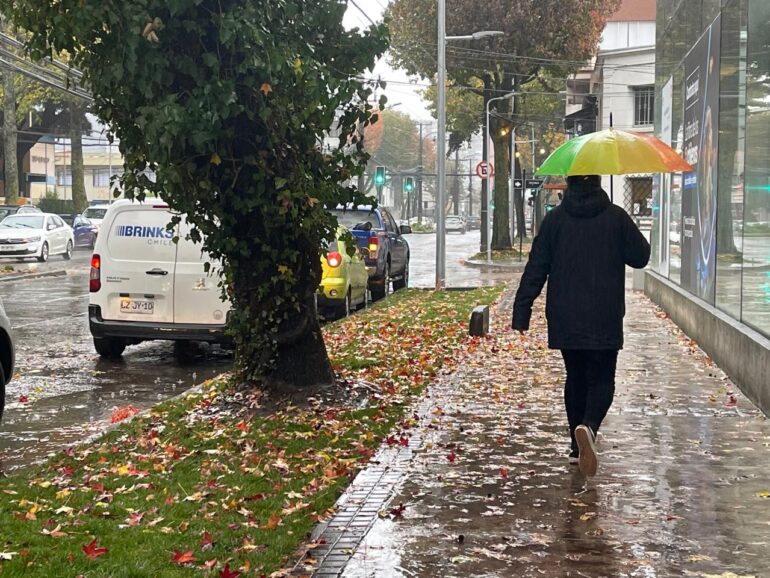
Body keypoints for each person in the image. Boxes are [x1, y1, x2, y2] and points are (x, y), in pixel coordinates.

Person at [512, 174, 650, 476]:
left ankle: (577, 449)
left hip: (565, 315)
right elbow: (641, 257)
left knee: (575, 376)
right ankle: (588, 426)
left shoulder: (555, 221)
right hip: (605, 314)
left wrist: (521, 310)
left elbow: (536, 266)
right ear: (599, 183)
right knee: (602, 378)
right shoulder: (616, 217)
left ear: (569, 184)